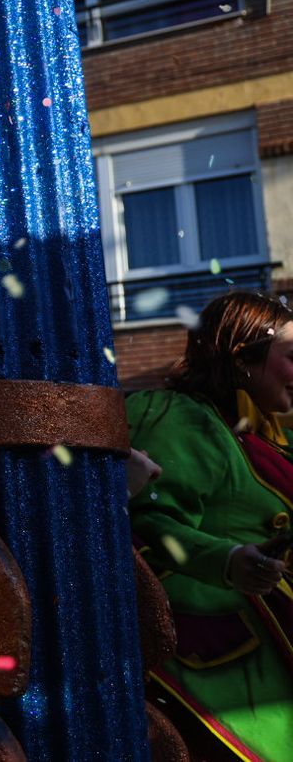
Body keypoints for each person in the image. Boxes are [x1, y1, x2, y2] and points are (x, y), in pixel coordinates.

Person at [127, 291, 293, 762]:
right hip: (221, 671)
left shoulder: (268, 436)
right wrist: (227, 560)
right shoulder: (181, 418)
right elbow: (149, 524)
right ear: (243, 360)